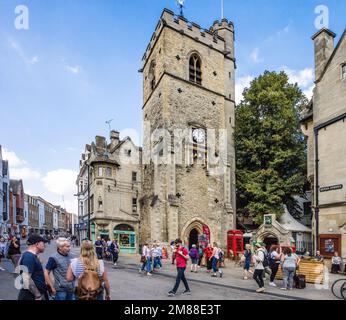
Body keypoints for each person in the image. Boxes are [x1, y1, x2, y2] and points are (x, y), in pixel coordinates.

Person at [18, 234, 49, 300]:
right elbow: (26, 279)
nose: (44, 245)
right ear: (37, 244)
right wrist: (37, 295)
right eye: (43, 243)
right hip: (31, 296)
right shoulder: (28, 257)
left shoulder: (32, 256)